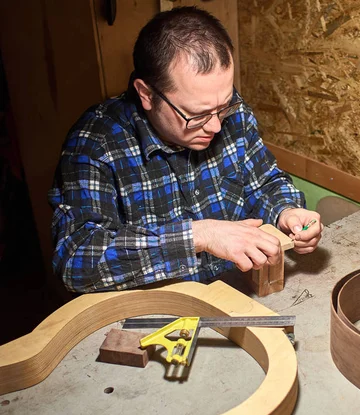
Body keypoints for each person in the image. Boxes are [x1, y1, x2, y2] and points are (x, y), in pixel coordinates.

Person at [48, 7, 322, 293]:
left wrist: (286, 212)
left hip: (237, 291)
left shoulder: (228, 113)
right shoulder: (95, 142)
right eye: (197, 114)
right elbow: (76, 261)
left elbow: (264, 184)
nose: (216, 126)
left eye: (224, 106)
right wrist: (197, 236)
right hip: (160, 310)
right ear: (147, 95)